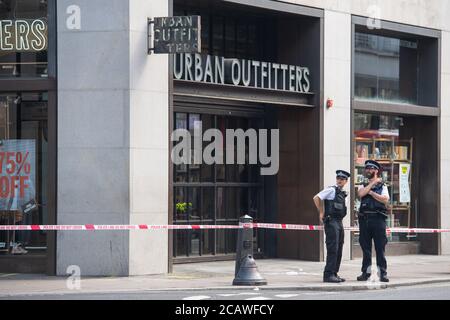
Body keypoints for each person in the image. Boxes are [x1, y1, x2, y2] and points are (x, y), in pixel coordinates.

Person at [313, 170, 350, 283]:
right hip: (331, 222)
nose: (339, 180)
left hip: (339, 222)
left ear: (346, 181)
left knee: (339, 248)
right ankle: (328, 275)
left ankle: (334, 273)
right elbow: (316, 197)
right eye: (338, 178)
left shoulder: (343, 193)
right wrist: (321, 212)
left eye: (342, 179)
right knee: (332, 248)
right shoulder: (331, 190)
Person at [357, 160, 390, 282]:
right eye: (367, 168)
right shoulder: (362, 184)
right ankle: (366, 273)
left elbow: (385, 199)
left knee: (380, 248)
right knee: (366, 249)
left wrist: (370, 193)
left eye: (371, 168)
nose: (368, 170)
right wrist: (372, 185)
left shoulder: (383, 186)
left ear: (376, 171)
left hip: (378, 219)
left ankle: (382, 273)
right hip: (364, 220)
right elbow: (361, 194)